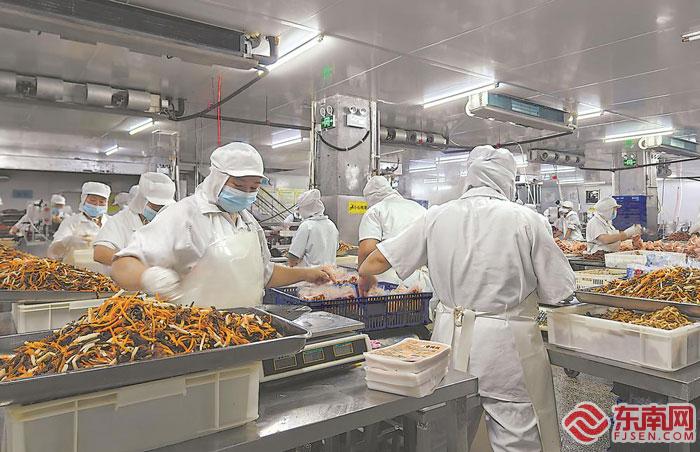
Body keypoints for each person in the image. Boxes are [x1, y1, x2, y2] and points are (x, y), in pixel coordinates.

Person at [359, 145, 576, 452]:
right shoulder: (526, 219)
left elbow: (373, 262)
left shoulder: (436, 216)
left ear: (470, 178)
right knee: (516, 435)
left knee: (447, 434)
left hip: (449, 340)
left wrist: (366, 275)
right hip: (507, 348)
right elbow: (560, 289)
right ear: (508, 180)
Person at [111, 142, 334, 309]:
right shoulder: (184, 215)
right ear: (217, 179)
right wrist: (149, 277)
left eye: (254, 188)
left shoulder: (248, 222)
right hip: (195, 333)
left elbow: (264, 274)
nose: (246, 193)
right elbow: (122, 265)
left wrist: (307, 274)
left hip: (246, 329)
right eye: (239, 185)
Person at [357, 176, 431, 296]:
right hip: (426, 281)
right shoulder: (420, 209)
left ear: (370, 198)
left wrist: (363, 275)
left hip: (393, 284)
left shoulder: (375, 211)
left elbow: (367, 251)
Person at [93, 172, 176, 268]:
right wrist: (135, 266)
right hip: (126, 277)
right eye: (156, 206)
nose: (159, 211)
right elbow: (100, 253)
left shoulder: (171, 221)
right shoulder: (122, 220)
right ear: (141, 201)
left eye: (163, 206)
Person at [48, 182, 110, 268]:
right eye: (92, 200)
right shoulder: (70, 222)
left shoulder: (112, 223)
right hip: (75, 273)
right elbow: (52, 253)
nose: (97, 205)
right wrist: (68, 241)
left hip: (106, 274)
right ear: (84, 200)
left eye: (102, 202)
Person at [287, 189, 339, 267]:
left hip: (310, 273)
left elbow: (293, 256)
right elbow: (336, 249)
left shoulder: (306, 226)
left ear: (305, 209)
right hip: (330, 272)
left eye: (299, 209)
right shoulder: (331, 225)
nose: (299, 212)